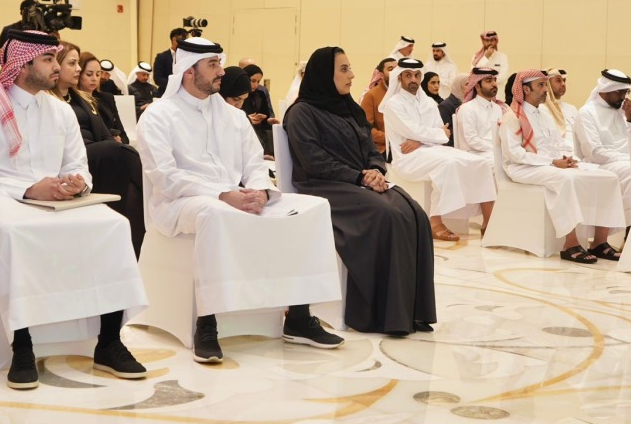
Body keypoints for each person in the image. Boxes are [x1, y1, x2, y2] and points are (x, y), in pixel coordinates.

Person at [0, 29, 148, 390]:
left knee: (112, 225)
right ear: (23, 62)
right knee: (14, 230)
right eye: (48, 59)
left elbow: (78, 165)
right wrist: (28, 189)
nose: (56, 66)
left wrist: (77, 184)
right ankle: (23, 345)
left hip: (56, 200)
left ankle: (109, 341)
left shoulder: (60, 111)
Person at [136, 38, 345, 363]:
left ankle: (300, 317)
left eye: (220, 63)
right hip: (182, 202)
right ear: (189, 72)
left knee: (313, 208)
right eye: (213, 65)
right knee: (214, 213)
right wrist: (222, 194)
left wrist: (261, 190)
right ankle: (207, 324)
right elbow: (165, 178)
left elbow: (254, 163)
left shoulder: (233, 116)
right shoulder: (159, 116)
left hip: (238, 197)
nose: (222, 72)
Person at [283, 47, 437, 335]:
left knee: (414, 211)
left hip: (358, 183)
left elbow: (372, 150)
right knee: (387, 214)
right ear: (323, 75)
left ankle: (411, 311)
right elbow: (314, 161)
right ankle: (382, 314)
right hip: (322, 187)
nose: (351, 74)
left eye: (350, 68)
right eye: (343, 69)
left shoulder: (349, 108)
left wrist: (376, 171)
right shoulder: (301, 113)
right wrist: (360, 177)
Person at [499, 70, 626, 263]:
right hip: (523, 167)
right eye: (540, 86)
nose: (545, 90)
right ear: (525, 89)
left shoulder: (544, 113)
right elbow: (514, 154)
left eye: (545, 85)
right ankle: (570, 244)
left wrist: (569, 159)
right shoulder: (512, 116)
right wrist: (552, 162)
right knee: (566, 179)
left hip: (552, 164)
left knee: (607, 176)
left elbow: (559, 143)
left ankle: (600, 242)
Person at [380, 58, 497, 241]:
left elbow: (444, 133)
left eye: (417, 75)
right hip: (407, 157)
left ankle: (487, 223)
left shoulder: (429, 103)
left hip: (430, 149)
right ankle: (435, 222)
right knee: (448, 164)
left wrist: (421, 140)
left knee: (479, 162)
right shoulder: (393, 104)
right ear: (400, 78)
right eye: (408, 75)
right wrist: (430, 136)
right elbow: (415, 131)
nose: (413, 79)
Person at [52, 44, 146, 257]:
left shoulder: (83, 99)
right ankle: (156, 195)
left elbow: (104, 134)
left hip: (99, 156)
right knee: (119, 151)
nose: (77, 69)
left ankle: (133, 249)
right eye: (72, 63)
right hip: (73, 160)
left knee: (132, 191)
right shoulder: (48, 101)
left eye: (78, 63)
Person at [573, 70, 631, 226]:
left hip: (625, 160)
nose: (624, 97)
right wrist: (630, 157)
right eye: (620, 92)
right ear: (606, 89)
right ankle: (630, 229)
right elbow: (594, 152)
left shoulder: (627, 110)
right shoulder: (587, 113)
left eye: (626, 92)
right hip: (600, 164)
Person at [78, 53, 130, 143]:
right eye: (89, 74)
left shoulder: (108, 99)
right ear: (78, 75)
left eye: (98, 74)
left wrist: (120, 140)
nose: (94, 79)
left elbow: (123, 135)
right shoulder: (74, 100)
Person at [455, 67, 504, 155]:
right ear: (477, 86)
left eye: (494, 80)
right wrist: (496, 149)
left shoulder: (497, 108)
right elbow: (472, 140)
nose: (494, 84)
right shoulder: (467, 109)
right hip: (474, 154)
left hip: (494, 152)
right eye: (488, 81)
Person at [360, 57, 397, 153]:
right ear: (381, 74)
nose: (395, 72)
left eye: (397, 69)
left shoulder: (404, 93)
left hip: (407, 144)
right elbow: (366, 129)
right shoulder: (371, 95)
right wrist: (390, 138)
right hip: (383, 147)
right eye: (390, 69)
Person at [0, 0, 39, 66]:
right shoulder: (9, 30)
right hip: (13, 71)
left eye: (35, 12)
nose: (32, 15)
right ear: (21, 13)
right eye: (29, 12)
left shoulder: (44, 30)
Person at [243, 64, 278, 157]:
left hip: (260, 135)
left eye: (258, 81)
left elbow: (267, 113)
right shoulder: (238, 95)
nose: (255, 85)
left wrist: (268, 120)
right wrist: (247, 119)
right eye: (253, 81)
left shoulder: (260, 93)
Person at [545, 68, 577, 156]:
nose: (563, 84)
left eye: (564, 81)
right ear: (548, 84)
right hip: (556, 154)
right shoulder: (542, 109)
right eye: (558, 81)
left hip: (576, 153)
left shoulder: (572, 108)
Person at [152, 28, 188, 98]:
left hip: (184, 95)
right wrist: (175, 83)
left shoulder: (187, 57)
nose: (185, 43)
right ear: (174, 40)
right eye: (183, 40)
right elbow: (157, 79)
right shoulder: (162, 57)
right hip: (165, 94)